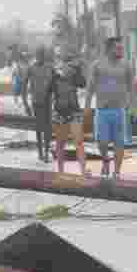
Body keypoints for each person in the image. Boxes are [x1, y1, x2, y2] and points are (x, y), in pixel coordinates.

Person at [85, 36, 133, 180]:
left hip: (119, 110)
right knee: (102, 141)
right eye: (118, 48)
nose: (121, 50)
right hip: (102, 111)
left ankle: (117, 172)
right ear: (109, 49)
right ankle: (105, 160)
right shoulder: (97, 65)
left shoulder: (126, 65)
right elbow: (90, 88)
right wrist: (87, 106)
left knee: (120, 142)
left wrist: (132, 105)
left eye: (121, 48)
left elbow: (131, 87)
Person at [50, 47, 89, 176]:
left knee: (77, 141)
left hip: (72, 110)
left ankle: (82, 170)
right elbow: (49, 91)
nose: (67, 66)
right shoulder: (54, 72)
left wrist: (78, 70)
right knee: (62, 143)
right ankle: (61, 170)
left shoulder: (73, 72)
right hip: (61, 110)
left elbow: (82, 83)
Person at [22, 46, 55, 163]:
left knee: (47, 128)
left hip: (48, 102)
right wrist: (25, 104)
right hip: (36, 102)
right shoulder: (31, 68)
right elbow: (23, 86)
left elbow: (56, 85)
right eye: (38, 54)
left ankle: (46, 152)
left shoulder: (50, 68)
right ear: (36, 56)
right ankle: (40, 152)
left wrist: (57, 101)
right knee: (38, 128)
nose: (40, 57)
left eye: (42, 54)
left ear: (45, 56)